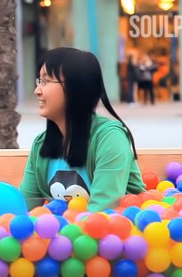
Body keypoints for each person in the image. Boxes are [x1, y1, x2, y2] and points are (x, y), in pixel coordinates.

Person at [19, 47, 145, 212]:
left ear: (75, 87)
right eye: (38, 81)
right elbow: (22, 207)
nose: (37, 91)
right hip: (64, 234)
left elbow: (101, 212)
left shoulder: (109, 138)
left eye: (45, 81)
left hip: (117, 234)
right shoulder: (41, 145)